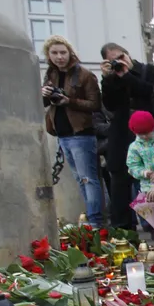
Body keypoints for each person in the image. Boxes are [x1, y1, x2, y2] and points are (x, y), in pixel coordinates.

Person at [41, 35, 103, 226]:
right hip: (62, 133)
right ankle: (93, 217)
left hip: (81, 133)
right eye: (55, 53)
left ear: (70, 53)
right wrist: (44, 95)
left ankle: (96, 222)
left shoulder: (84, 74)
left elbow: (95, 104)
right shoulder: (50, 75)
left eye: (63, 52)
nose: (59, 57)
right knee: (80, 179)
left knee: (88, 179)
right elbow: (45, 104)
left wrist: (70, 101)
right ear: (48, 55)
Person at [100, 42, 154, 230]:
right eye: (113, 60)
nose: (119, 62)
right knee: (119, 181)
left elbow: (151, 93)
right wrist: (108, 79)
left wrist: (127, 75)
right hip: (122, 134)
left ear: (128, 54)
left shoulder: (148, 71)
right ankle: (123, 230)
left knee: (150, 178)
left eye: (121, 57)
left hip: (148, 134)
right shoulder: (111, 78)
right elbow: (109, 105)